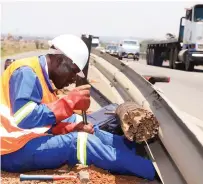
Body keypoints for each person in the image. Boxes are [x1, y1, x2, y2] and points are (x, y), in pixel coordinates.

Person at [0, 34, 155, 180]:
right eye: (73, 72)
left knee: (84, 127)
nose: (73, 79)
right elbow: (24, 117)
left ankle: (133, 149)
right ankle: (150, 170)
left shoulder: (43, 78)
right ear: (60, 60)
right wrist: (68, 102)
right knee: (80, 142)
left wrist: (70, 127)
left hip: (25, 140)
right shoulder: (26, 72)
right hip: (12, 151)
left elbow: (43, 124)